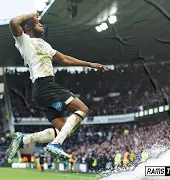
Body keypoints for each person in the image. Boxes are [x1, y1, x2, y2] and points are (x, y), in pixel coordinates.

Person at [7, 12, 108, 159]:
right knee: (83, 109)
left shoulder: (44, 44)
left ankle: (24, 139)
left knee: (64, 128)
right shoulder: (24, 41)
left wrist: (89, 64)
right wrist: (31, 15)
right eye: (37, 22)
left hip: (42, 91)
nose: (40, 23)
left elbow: (64, 59)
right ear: (28, 27)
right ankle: (56, 144)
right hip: (45, 85)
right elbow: (13, 22)